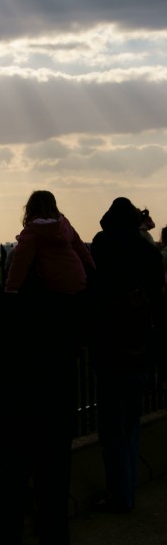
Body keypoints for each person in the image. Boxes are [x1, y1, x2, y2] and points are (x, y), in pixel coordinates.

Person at [0, 191, 95, 545]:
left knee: (13, 481)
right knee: (55, 479)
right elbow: (91, 280)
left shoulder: (11, 305)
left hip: (16, 402)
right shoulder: (70, 305)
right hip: (57, 399)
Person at [90, 197, 164, 513]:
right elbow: (158, 300)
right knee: (132, 423)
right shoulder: (148, 252)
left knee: (110, 426)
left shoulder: (102, 245)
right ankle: (128, 488)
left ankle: (119, 493)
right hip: (141, 346)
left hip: (109, 347)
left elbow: (91, 289)